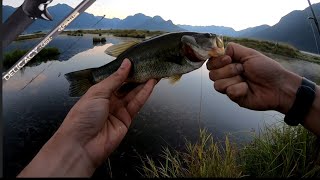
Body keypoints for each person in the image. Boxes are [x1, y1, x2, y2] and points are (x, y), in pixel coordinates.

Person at [17, 43, 320, 177]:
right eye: (205, 41)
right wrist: (290, 92)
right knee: (110, 75)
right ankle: (92, 76)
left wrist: (286, 91)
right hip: (118, 75)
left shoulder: (189, 54)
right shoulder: (184, 51)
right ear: (189, 46)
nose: (212, 44)